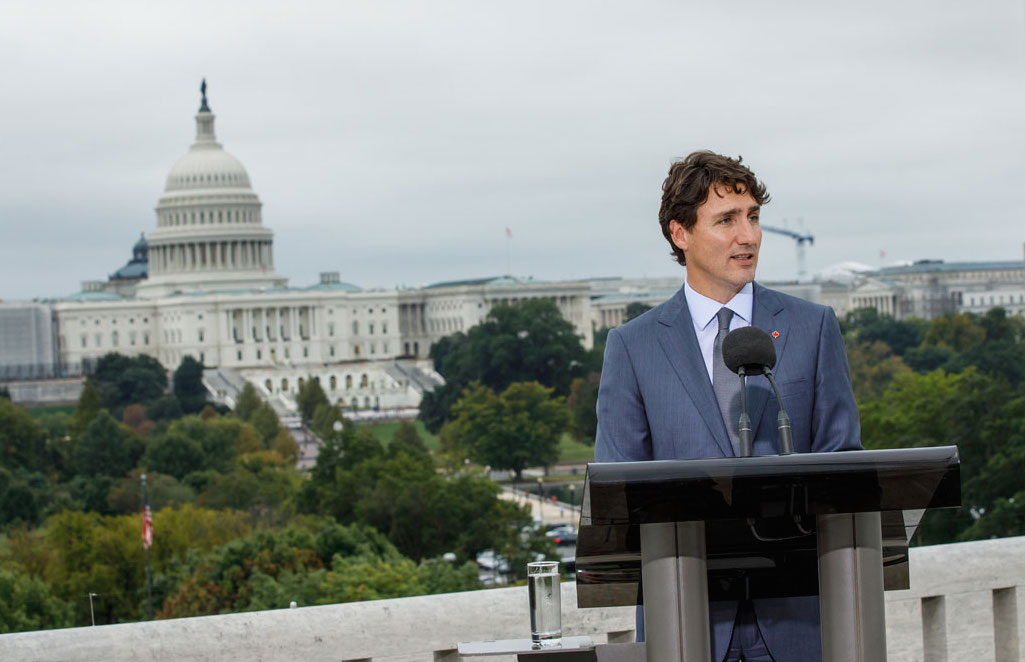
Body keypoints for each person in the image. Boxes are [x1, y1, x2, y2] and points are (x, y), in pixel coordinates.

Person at [594, 151, 862, 662]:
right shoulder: (633, 346)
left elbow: (844, 470)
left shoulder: (813, 327)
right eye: (727, 220)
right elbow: (618, 494)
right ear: (680, 234)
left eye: (754, 217)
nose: (750, 236)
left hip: (800, 623)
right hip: (685, 623)